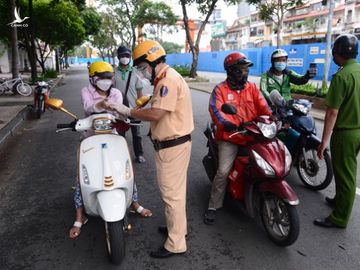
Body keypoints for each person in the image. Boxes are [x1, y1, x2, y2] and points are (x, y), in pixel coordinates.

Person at [110, 40, 194, 258]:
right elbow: (158, 109)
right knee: (177, 193)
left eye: (141, 67)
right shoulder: (167, 78)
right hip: (176, 144)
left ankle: (176, 244)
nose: (142, 72)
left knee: (171, 196)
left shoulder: (167, 81)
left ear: (152, 62)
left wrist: (128, 111)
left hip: (172, 147)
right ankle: (178, 230)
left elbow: (156, 113)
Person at [69, 61, 152, 239]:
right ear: (93, 79)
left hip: (113, 135)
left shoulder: (115, 93)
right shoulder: (86, 91)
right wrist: (101, 105)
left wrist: (124, 115)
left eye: (108, 77)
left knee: (126, 167)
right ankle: (79, 216)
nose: (105, 81)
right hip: (90, 136)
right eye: (101, 78)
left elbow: (119, 112)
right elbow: (88, 107)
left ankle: (134, 203)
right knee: (82, 174)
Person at [204, 52, 272, 225]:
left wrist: (274, 118)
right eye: (241, 70)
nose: (245, 73)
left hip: (253, 133)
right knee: (223, 171)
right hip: (231, 136)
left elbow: (264, 107)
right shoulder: (220, 89)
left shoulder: (252, 88)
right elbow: (215, 110)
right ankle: (213, 205)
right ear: (231, 71)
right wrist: (226, 123)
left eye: (246, 69)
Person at [314, 34, 360, 229]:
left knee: (345, 175)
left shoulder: (342, 76)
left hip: (345, 133)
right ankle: (339, 200)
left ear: (338, 53)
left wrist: (324, 142)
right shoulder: (358, 71)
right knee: (344, 172)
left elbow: (332, 112)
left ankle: (340, 217)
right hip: (358, 130)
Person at [115, 45, 147, 163]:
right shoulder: (113, 72)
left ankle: (139, 154)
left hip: (134, 109)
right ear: (118, 56)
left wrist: (140, 108)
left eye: (127, 55)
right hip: (119, 110)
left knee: (137, 134)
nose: (125, 58)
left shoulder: (135, 72)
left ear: (130, 57)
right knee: (120, 134)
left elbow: (140, 92)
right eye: (122, 55)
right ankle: (120, 155)